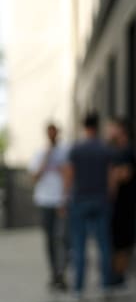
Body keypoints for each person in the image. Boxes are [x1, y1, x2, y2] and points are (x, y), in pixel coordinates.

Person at [63, 112, 115, 298]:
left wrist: (65, 197)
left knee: (79, 244)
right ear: (97, 126)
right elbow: (111, 178)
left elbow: (69, 175)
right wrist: (110, 196)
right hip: (101, 199)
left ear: (84, 126)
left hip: (80, 200)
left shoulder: (76, 149)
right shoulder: (104, 149)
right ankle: (106, 286)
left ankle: (78, 289)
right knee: (104, 244)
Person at [28, 122, 69, 291]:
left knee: (62, 238)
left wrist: (64, 199)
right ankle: (54, 273)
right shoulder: (40, 154)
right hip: (45, 201)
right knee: (50, 240)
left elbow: (69, 175)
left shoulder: (65, 152)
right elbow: (34, 178)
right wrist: (46, 158)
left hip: (60, 201)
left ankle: (62, 272)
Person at [107, 117, 136, 286]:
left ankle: (118, 277)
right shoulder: (118, 151)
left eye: (112, 128)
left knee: (122, 242)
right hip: (119, 205)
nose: (109, 131)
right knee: (116, 240)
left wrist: (112, 175)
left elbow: (125, 174)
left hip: (125, 205)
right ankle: (116, 275)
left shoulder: (126, 151)